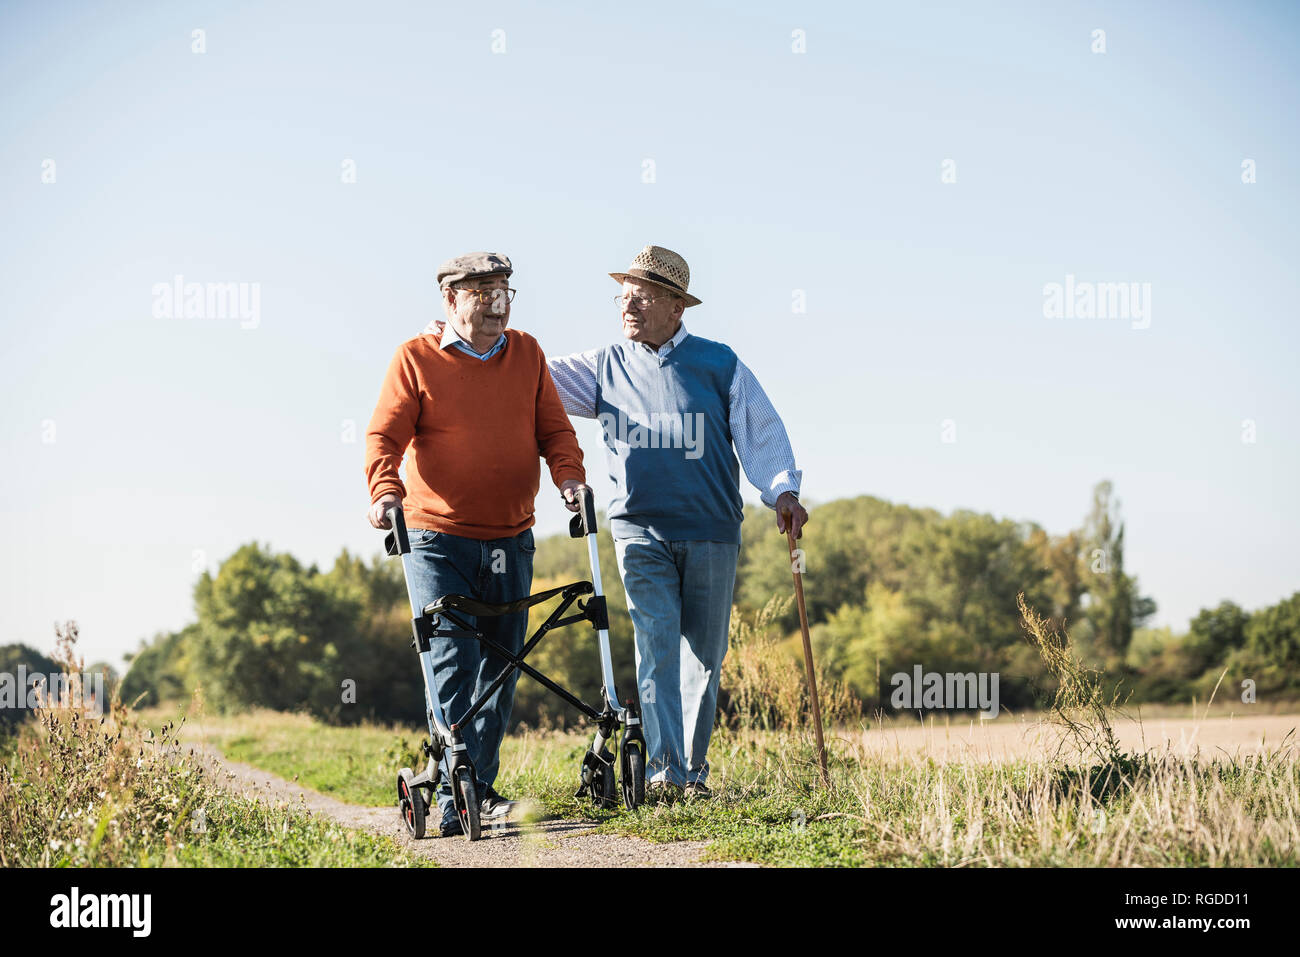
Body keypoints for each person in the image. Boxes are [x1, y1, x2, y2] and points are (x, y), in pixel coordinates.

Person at [546, 245, 809, 800]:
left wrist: (782, 489)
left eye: (641, 297)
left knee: (704, 658)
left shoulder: (719, 363)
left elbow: (761, 432)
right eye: (624, 297)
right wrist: (473, 343)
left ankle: (692, 774)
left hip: (712, 528)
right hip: (638, 528)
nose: (628, 306)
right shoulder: (604, 366)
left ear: (676, 307)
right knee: (656, 644)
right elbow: (529, 378)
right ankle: (664, 775)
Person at [366, 251, 587, 835]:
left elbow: (554, 429)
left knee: (504, 661)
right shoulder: (415, 358)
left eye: (504, 292)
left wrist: (570, 478)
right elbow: (385, 435)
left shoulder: (527, 353)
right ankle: (452, 796)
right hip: (436, 537)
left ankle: (476, 790)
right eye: (482, 292)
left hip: (510, 536)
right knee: (451, 660)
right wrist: (384, 492)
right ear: (451, 299)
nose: (496, 304)